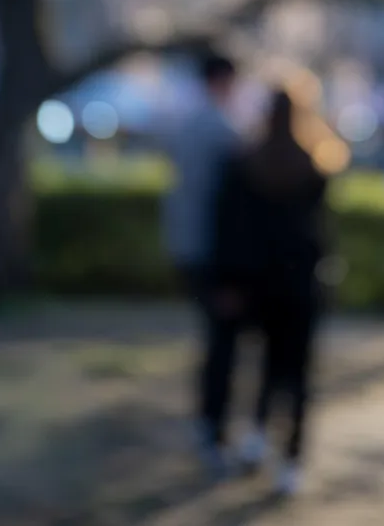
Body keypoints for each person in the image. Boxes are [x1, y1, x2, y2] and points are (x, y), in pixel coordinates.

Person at [210, 76, 345, 496]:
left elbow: (231, 230)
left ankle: (255, 436)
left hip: (260, 282)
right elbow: (321, 230)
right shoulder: (315, 165)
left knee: (267, 362)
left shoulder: (246, 163)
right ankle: (291, 459)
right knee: (298, 372)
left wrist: (229, 281)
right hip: (301, 282)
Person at [161, 52, 241, 463]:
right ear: (222, 81)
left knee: (215, 338)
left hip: (186, 245)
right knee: (221, 342)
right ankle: (212, 429)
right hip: (215, 250)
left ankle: (210, 425)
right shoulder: (220, 128)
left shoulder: (185, 123)